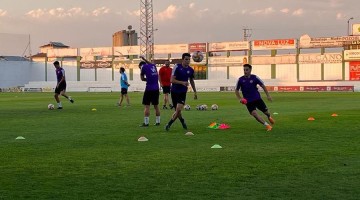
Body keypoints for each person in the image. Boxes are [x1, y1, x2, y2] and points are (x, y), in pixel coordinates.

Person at [235, 64, 275, 131]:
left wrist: (268, 95)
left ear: (250, 70)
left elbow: (263, 86)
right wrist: (240, 98)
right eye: (244, 70)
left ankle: (269, 116)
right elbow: (236, 90)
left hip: (257, 99)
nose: (245, 71)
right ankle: (267, 125)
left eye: (247, 70)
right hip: (248, 101)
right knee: (254, 114)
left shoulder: (255, 77)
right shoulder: (240, 80)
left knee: (266, 112)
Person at [165, 53, 197, 131]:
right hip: (174, 91)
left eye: (189, 59)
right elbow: (172, 80)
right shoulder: (177, 67)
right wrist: (182, 83)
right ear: (182, 59)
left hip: (182, 92)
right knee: (177, 111)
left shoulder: (190, 70)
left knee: (179, 109)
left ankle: (169, 123)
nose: (188, 61)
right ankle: (182, 121)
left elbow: (192, 81)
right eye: (186, 59)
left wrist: (195, 92)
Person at [139, 56, 161, 127]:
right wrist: (144, 59)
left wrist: (146, 78)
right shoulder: (153, 66)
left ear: (140, 66)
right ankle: (158, 122)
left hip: (149, 89)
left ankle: (146, 123)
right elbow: (149, 63)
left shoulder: (143, 67)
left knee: (147, 106)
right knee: (156, 106)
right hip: (156, 88)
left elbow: (142, 78)